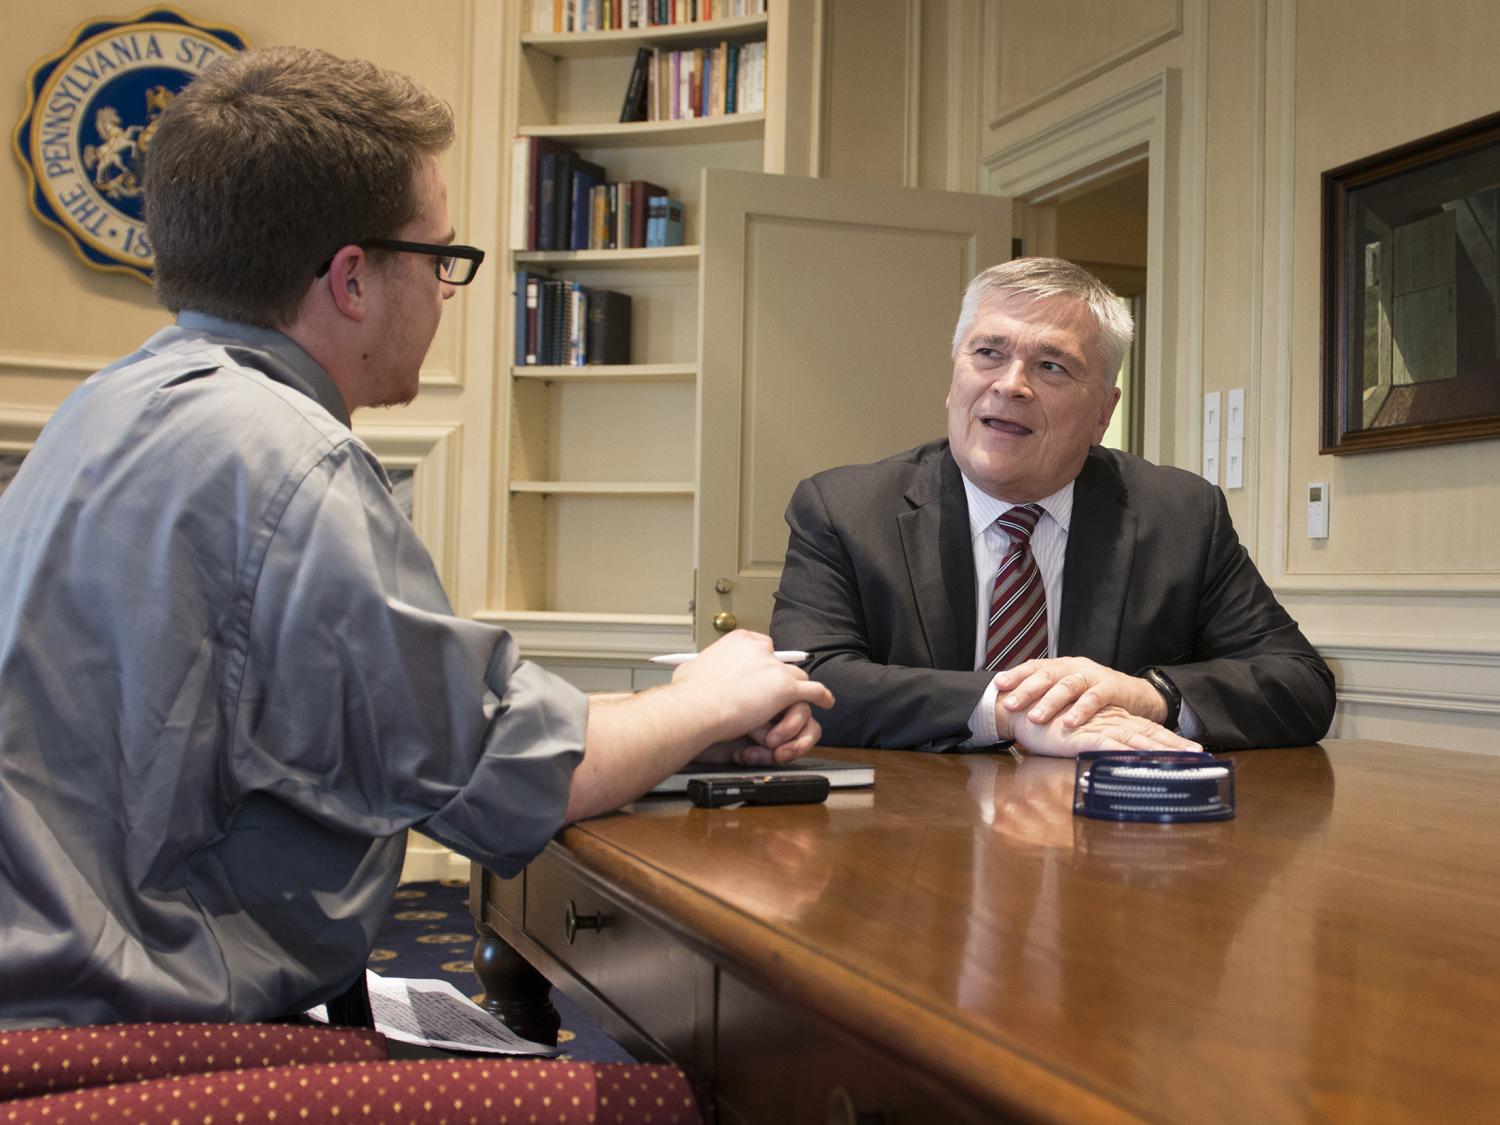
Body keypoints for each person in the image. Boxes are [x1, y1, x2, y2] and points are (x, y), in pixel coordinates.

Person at [0, 46, 830, 1030]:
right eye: (441, 258)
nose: (446, 290)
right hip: (139, 1044)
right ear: (353, 280)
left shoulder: (114, 405)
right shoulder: (291, 465)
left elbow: (437, 717)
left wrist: (688, 707)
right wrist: (715, 696)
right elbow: (516, 770)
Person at [771, 257, 1334, 755]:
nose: (1010, 384)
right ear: (953, 381)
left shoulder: (1180, 515)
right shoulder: (845, 510)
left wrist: (1149, 695)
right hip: (913, 835)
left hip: (1108, 835)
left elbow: (1300, 683)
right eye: (988, 353)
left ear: (1103, 414)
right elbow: (808, 683)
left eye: (1051, 366)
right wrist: (1007, 710)